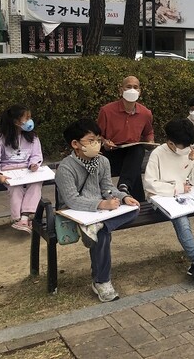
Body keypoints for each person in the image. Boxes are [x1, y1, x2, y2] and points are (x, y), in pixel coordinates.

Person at [55, 119, 140, 303]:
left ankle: (99, 226)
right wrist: (101, 204)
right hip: (76, 211)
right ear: (75, 144)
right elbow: (71, 200)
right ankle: (102, 281)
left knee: (134, 209)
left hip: (100, 213)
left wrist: (123, 197)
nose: (97, 144)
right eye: (91, 140)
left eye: (98, 140)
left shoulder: (102, 161)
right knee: (102, 236)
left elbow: (108, 188)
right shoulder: (65, 168)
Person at [143, 119, 194, 285]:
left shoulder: (188, 151)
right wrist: (177, 188)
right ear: (170, 142)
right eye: (184, 146)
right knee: (182, 220)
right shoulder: (158, 154)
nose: (187, 149)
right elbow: (150, 184)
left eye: (189, 145)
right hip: (162, 198)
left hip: (187, 196)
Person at [97, 76, 154, 201]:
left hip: (132, 153)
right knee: (134, 168)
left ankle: (124, 186)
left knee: (137, 150)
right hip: (111, 153)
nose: (132, 90)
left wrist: (150, 141)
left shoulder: (145, 113)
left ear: (140, 91)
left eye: (135, 87)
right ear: (121, 90)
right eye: (128, 87)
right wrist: (105, 142)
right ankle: (134, 197)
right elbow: (97, 135)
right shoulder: (107, 111)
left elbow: (148, 132)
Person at [0, 105, 44, 233]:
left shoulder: (33, 137)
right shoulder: (0, 139)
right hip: (8, 171)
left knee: (36, 184)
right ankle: (18, 218)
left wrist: (33, 164)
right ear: (16, 121)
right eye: (27, 118)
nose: (30, 121)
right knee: (15, 188)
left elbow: (37, 155)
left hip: (27, 169)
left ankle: (24, 217)